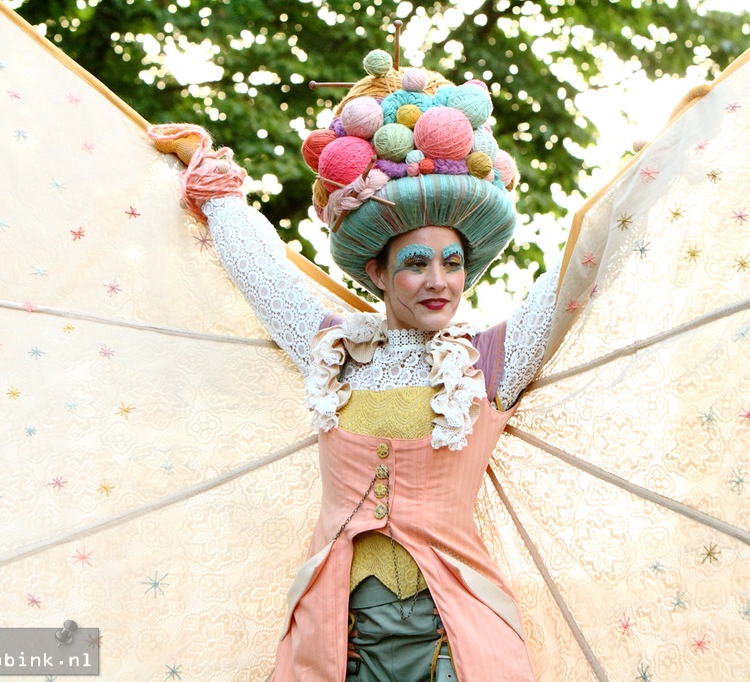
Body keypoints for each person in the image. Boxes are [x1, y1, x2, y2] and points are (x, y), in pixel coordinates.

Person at [152, 48, 564, 682]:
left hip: (459, 644)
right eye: (415, 262)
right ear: (376, 270)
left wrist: (666, 159)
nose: (438, 281)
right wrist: (215, 188)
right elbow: (263, 273)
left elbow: (573, 276)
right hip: (336, 643)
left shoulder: (489, 360)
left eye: (452, 263)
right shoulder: (334, 351)